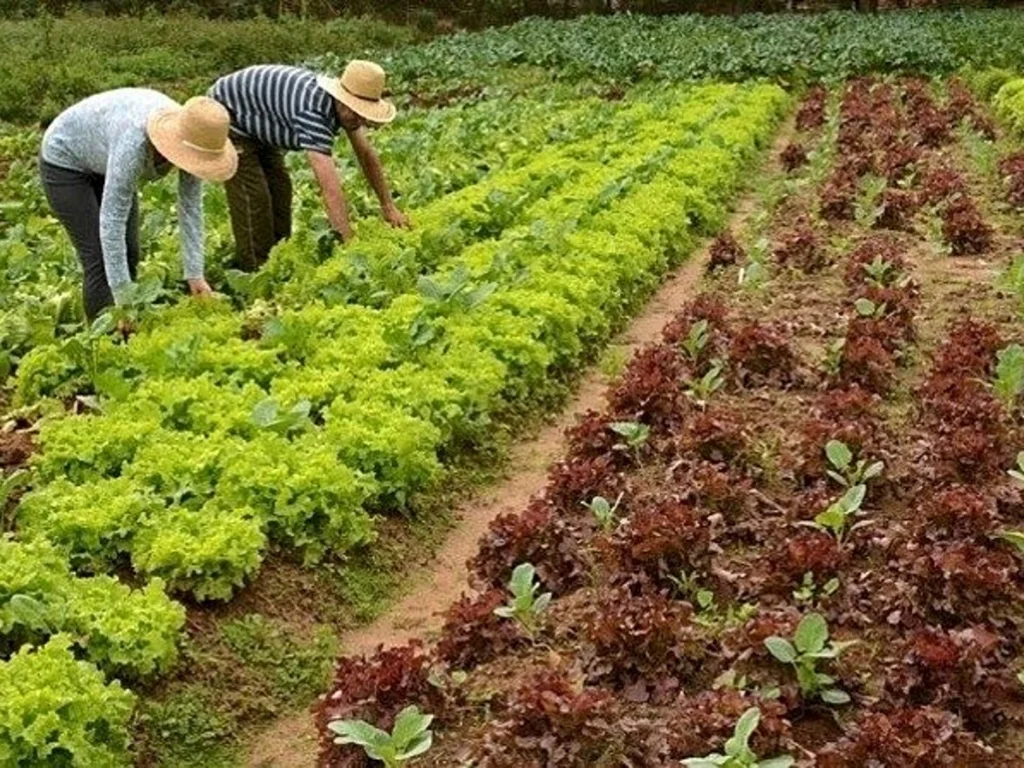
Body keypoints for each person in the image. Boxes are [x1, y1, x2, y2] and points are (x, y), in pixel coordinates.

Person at [40, 90, 238, 321]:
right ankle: (103, 340)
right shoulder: (134, 142)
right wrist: (123, 303)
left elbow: (190, 208)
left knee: (131, 250)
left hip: (104, 155)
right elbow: (112, 220)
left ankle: (126, 323)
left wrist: (195, 274)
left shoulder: (197, 138)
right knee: (100, 259)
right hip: (66, 158)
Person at [209, 60, 409, 271]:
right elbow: (329, 187)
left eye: (363, 112)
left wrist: (388, 205)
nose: (358, 117)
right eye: (355, 110)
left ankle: (277, 259)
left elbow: (366, 155)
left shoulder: (347, 112)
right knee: (255, 197)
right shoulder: (312, 110)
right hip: (227, 116)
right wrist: (348, 242)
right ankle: (255, 271)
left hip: (260, 122)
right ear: (341, 98)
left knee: (280, 188)